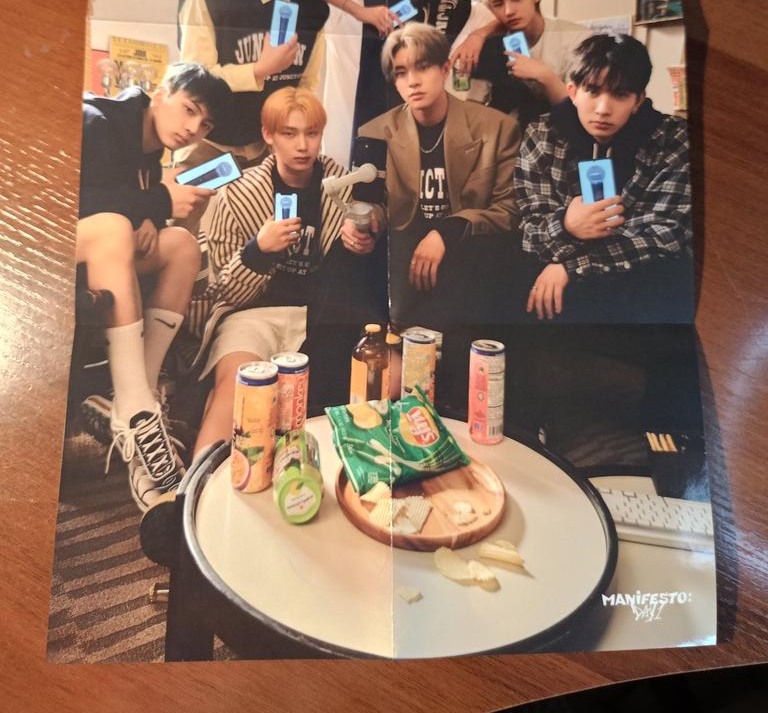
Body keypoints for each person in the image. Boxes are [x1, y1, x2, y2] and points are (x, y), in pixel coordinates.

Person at [188, 87, 382, 455]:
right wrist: (257, 252)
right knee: (238, 387)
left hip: (321, 317)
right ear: (268, 135)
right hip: (252, 315)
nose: (302, 146)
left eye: (312, 133)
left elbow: (364, 249)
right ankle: (197, 484)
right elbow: (222, 293)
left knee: (381, 374)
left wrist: (363, 240)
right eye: (289, 134)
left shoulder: (341, 186)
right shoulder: (238, 195)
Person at [77, 62, 232, 511]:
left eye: (205, 124)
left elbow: (122, 203)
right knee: (111, 229)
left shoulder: (149, 151)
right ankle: (135, 408)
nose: (193, 128)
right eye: (189, 109)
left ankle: (137, 395)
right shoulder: (97, 122)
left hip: (99, 252)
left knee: (182, 244)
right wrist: (156, 201)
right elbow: (77, 202)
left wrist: (148, 214)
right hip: (36, 245)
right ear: (160, 94)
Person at [514, 33, 693, 323]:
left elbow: (666, 235)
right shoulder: (543, 134)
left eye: (620, 95)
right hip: (553, 274)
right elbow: (531, 232)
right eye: (593, 91)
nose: (603, 109)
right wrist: (567, 225)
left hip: (635, 284)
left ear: (638, 100)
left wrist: (573, 266)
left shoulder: (672, 139)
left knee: (667, 275)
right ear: (572, 92)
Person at [354, 25, 522, 331]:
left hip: (470, 262)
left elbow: (508, 210)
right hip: (402, 260)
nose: (413, 81)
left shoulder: (496, 128)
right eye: (401, 72)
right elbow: (375, 204)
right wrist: (362, 225)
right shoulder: (375, 133)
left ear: (445, 69)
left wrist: (447, 231)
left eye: (422, 67)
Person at [177, 0, 338, 170]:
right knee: (192, 198)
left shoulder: (315, 9)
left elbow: (307, 84)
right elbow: (196, 82)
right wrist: (259, 70)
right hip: (207, 144)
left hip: (269, 150)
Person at [327, 0, 501, 141]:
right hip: (358, 126)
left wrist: (478, 36)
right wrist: (357, 10)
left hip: (421, 128)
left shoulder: (448, 4)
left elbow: (503, 20)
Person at [453, 0, 591, 129]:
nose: (509, 11)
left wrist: (544, 76)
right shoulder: (492, 44)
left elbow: (582, 114)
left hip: (563, 133)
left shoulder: (576, 38)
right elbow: (474, 107)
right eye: (498, 4)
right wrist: (478, 35)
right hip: (509, 135)